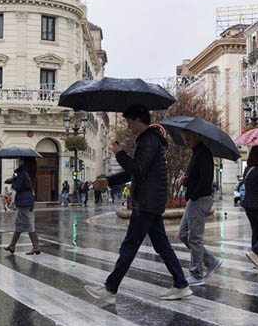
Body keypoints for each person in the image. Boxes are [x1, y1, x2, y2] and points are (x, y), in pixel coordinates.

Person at [85, 105, 191, 303]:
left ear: (137, 120)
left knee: (129, 246)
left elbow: (138, 170)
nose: (128, 126)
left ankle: (110, 290)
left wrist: (120, 154)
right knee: (162, 246)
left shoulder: (149, 140)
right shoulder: (149, 140)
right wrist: (109, 181)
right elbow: (134, 171)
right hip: (150, 201)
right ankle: (181, 284)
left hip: (146, 202)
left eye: (129, 122)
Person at [178, 130, 221, 285]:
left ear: (197, 136)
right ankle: (210, 261)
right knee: (183, 234)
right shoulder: (196, 153)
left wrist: (193, 195)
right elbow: (196, 177)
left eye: (188, 139)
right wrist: (186, 180)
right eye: (184, 139)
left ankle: (197, 274)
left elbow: (205, 180)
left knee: (194, 238)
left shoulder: (203, 154)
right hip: (194, 199)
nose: (186, 142)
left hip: (199, 199)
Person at [4, 157, 41, 254]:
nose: (18, 161)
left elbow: (17, 186)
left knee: (28, 223)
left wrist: (13, 181)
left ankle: (36, 246)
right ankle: (12, 245)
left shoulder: (22, 172)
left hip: (23, 200)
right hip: (28, 199)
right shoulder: (30, 172)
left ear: (23, 161)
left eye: (19, 160)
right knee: (19, 223)